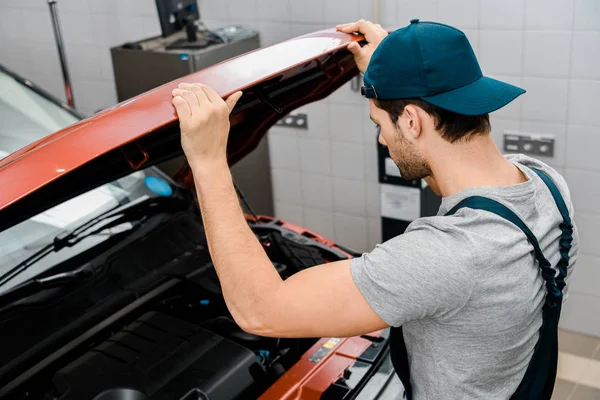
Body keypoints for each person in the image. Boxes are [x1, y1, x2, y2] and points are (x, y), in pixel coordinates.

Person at [171, 19, 579, 400]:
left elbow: (261, 312)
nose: (383, 140)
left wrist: (207, 162)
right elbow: (449, 168)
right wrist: (391, 71)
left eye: (379, 124)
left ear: (414, 121)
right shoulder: (544, 183)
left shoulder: (447, 256)